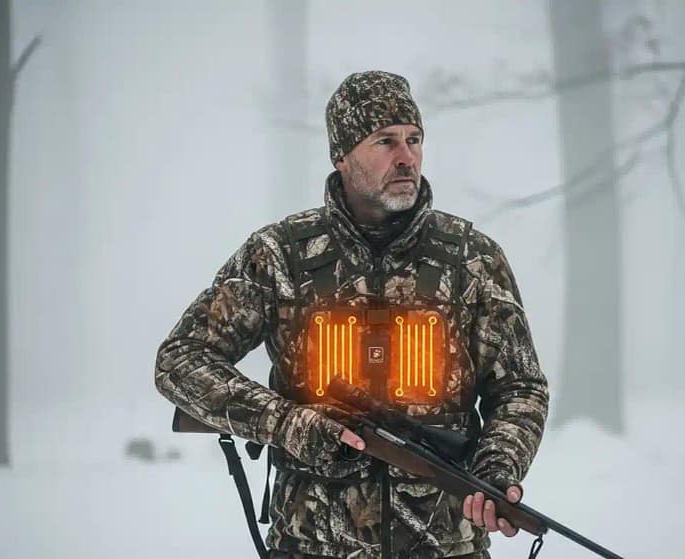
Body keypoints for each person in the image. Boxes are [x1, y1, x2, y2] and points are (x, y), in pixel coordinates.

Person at [155, 70, 549, 559]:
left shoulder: (472, 258)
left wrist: (496, 469)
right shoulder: (282, 255)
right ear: (341, 156)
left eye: (414, 139)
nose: (406, 157)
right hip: (309, 546)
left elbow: (520, 388)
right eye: (385, 141)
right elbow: (181, 360)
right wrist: (285, 423)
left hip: (448, 547)